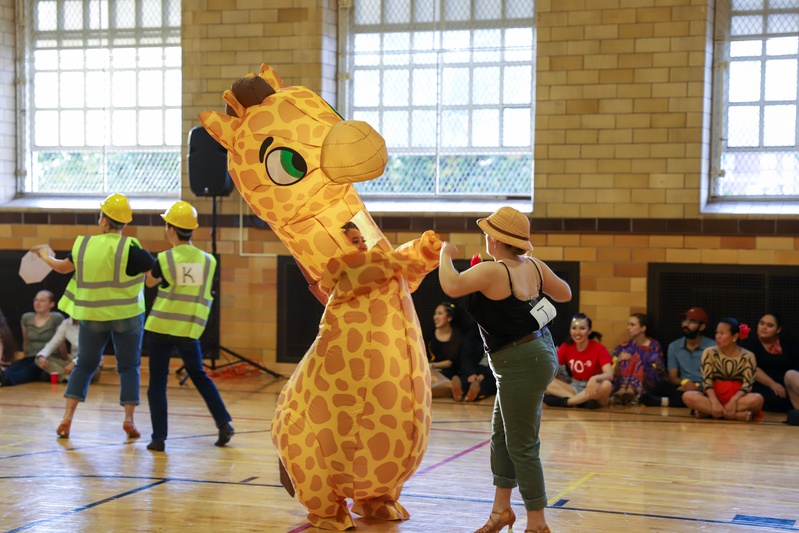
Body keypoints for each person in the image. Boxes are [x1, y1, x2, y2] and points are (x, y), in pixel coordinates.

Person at [439, 206, 572, 533]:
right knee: (502, 436)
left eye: (488, 232)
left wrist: (445, 254)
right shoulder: (535, 265)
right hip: (540, 352)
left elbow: (451, 286)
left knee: (522, 445)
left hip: (520, 362)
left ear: (495, 239)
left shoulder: (494, 271)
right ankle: (501, 511)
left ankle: (537, 523)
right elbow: (565, 293)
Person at [34, 193, 154, 439]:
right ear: (125, 223)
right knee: (129, 367)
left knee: (85, 365)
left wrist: (45, 255)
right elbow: (154, 273)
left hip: (92, 316)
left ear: (103, 221)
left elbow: (61, 267)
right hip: (127, 316)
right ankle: (129, 419)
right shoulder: (131, 247)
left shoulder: (84, 246)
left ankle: (67, 418)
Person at [144, 200, 234, 451]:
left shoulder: (164, 258)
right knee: (199, 376)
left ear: (171, 229)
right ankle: (224, 423)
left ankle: (158, 439)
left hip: (161, 327)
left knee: (157, 382)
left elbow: (150, 283)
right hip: (189, 329)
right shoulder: (209, 260)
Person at [683, 318, 764, 421]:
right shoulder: (709, 352)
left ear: (735, 336)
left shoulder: (748, 356)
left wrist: (733, 401)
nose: (718, 336)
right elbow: (706, 381)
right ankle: (735, 415)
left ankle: (709, 413)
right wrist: (714, 402)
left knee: (758, 399)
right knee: (687, 396)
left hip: (738, 398)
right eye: (717, 333)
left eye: (722, 333)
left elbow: (747, 384)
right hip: (713, 395)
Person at [640, 307, 715, 408]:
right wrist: (685, 383)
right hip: (682, 385)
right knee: (659, 387)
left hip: (705, 386)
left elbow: (714, 377)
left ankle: (664, 402)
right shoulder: (674, 346)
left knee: (709, 392)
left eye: (692, 321)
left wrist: (696, 386)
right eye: (684, 320)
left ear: (702, 327)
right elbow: (673, 377)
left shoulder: (712, 347)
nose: (686, 324)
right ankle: (677, 400)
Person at [544, 313, 613, 409]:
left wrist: (595, 378)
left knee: (607, 385)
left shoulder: (599, 348)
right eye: (574, 328)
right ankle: (581, 402)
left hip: (594, 387)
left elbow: (609, 374)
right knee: (546, 381)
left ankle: (568, 402)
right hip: (575, 387)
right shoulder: (566, 347)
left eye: (582, 328)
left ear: (589, 331)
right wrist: (560, 379)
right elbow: (552, 367)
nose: (577, 332)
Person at [0, 291, 65, 386]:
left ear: (51, 304)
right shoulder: (27, 318)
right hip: (30, 356)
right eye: (36, 300)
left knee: (29, 370)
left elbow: (60, 342)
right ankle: (3, 377)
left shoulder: (56, 318)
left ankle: (6, 380)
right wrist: (25, 355)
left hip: (47, 358)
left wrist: (64, 359)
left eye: (42, 301)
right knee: (13, 367)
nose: (38, 303)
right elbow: (25, 341)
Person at [740, 313, 799, 412]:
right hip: (764, 385)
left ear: (778, 330)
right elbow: (752, 368)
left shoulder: (788, 343)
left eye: (770, 325)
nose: (764, 327)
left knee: (791, 374)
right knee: (776, 398)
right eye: (762, 323)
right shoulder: (749, 343)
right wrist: (773, 384)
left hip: (786, 384)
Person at [610, 313, 665, 405]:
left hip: (647, 381)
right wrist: (619, 360)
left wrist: (639, 361)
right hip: (623, 382)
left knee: (638, 358)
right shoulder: (624, 346)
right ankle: (623, 390)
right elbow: (611, 369)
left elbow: (660, 370)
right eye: (628, 324)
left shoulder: (654, 346)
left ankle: (631, 391)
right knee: (624, 358)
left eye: (632, 325)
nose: (628, 328)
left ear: (643, 328)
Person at [34, 316, 94, 384]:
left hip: (88, 362)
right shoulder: (66, 323)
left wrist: (74, 363)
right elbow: (53, 343)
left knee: (91, 370)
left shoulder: (93, 324)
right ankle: (67, 377)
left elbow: (90, 352)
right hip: (71, 361)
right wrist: (42, 356)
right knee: (38, 359)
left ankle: (71, 377)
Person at [453, 321, 497, 402]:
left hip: (490, 370)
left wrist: (484, 375)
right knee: (465, 379)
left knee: (490, 383)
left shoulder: (498, 336)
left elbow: (498, 360)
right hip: (475, 368)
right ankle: (459, 391)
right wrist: (471, 373)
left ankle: (474, 393)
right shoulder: (473, 333)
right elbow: (466, 356)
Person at [426, 301, 462, 381]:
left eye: (440, 314)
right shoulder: (429, 335)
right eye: (435, 314)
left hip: (449, 373)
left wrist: (433, 365)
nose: (435, 317)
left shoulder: (457, 336)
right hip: (429, 371)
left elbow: (450, 362)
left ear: (449, 318)